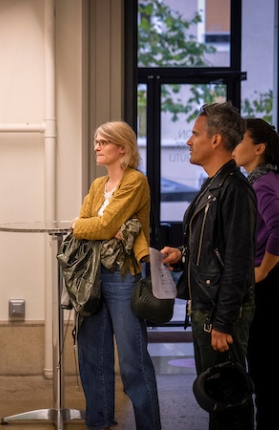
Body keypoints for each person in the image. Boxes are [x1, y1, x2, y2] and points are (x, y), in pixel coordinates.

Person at [161, 102, 256, 430]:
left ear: (216, 140)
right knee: (217, 398)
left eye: (195, 134)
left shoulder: (235, 190)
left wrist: (223, 323)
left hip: (220, 313)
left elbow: (239, 264)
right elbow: (214, 249)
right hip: (208, 308)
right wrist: (183, 255)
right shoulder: (213, 186)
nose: (189, 141)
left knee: (229, 399)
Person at [72, 120, 161, 430]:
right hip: (92, 276)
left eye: (103, 142)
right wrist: (92, 227)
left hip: (123, 277)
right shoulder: (98, 186)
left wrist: (86, 227)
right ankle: (99, 422)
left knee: (132, 362)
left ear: (122, 148)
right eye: (96, 141)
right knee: (91, 357)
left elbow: (100, 225)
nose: (97, 146)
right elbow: (90, 224)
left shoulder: (136, 182)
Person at [232, 118, 279, 430]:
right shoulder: (269, 181)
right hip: (278, 284)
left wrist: (262, 271)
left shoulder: (262, 185)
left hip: (273, 285)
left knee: (268, 371)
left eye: (240, 139)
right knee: (274, 371)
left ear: (258, 148)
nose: (234, 145)